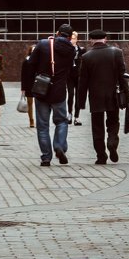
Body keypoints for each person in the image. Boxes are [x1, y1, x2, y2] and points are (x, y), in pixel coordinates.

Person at [22, 24, 78, 166]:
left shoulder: (43, 44)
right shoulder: (71, 50)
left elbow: (30, 64)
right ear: (71, 36)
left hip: (41, 89)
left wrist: (29, 87)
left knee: (42, 126)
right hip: (59, 91)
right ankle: (59, 145)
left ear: (57, 33)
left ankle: (46, 157)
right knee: (61, 121)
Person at [77, 29, 129, 164]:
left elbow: (82, 82)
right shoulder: (116, 53)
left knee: (97, 127)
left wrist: (80, 102)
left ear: (91, 40)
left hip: (95, 97)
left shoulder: (87, 57)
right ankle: (112, 141)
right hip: (113, 94)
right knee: (113, 122)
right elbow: (122, 75)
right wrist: (127, 93)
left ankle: (101, 156)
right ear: (105, 39)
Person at [69, 30, 83, 126]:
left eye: (73, 39)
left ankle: (76, 117)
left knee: (78, 96)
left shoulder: (81, 50)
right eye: (71, 39)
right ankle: (69, 114)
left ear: (77, 39)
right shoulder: (67, 49)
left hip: (78, 76)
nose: (72, 40)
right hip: (69, 75)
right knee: (70, 95)